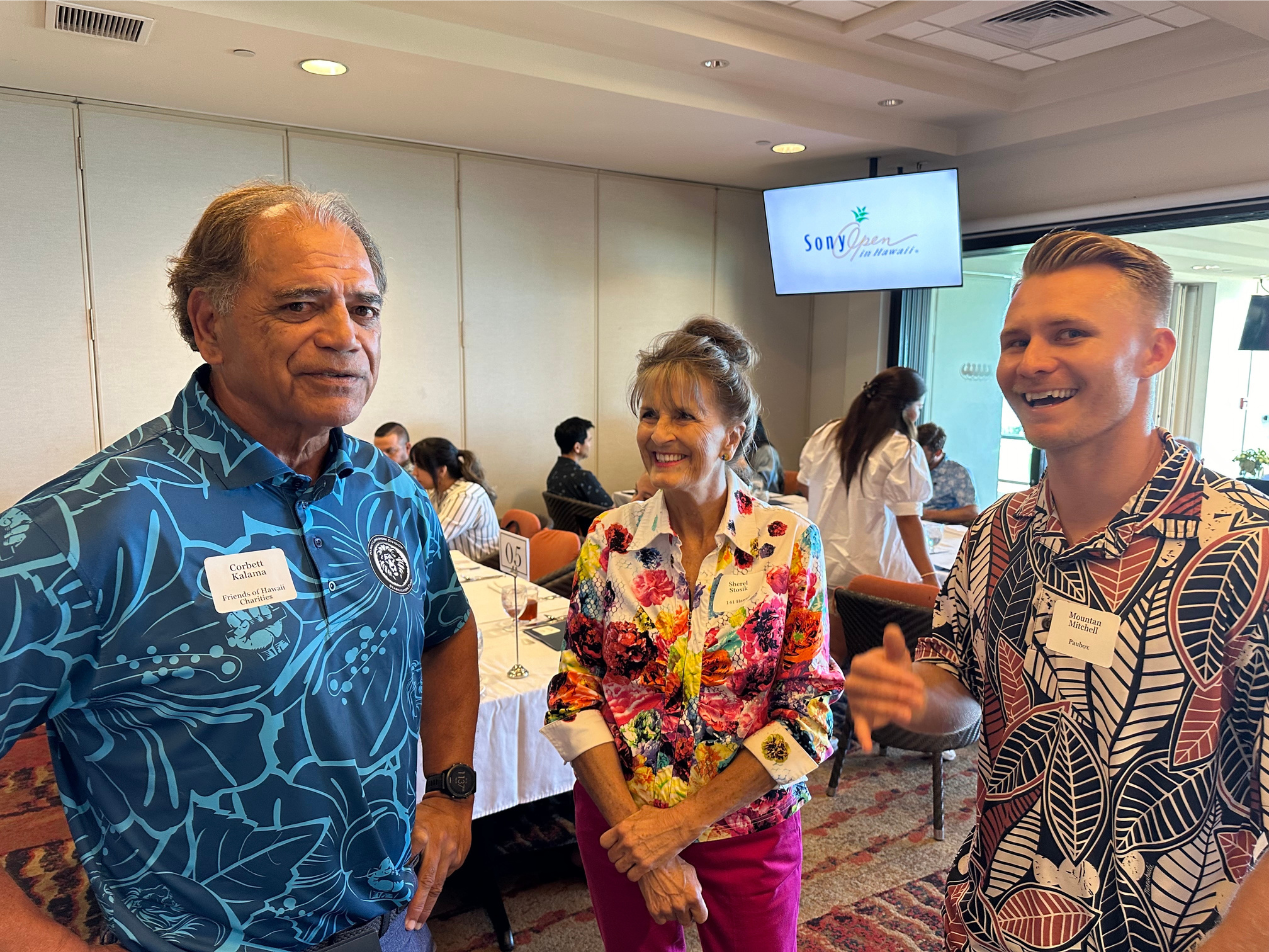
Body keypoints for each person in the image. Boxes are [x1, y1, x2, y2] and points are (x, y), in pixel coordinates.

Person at [0, 182, 480, 952]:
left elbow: (448, 630)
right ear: (208, 324)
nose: (345, 336)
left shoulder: (389, 492)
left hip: (396, 924)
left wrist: (451, 790)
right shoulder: (88, 526)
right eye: (299, 305)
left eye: (364, 308)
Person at [845, 231, 1269, 952]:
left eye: (1069, 334)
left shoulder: (1246, 546)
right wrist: (914, 695)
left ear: (1155, 351)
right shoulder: (999, 531)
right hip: (993, 918)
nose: (1031, 362)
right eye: (1016, 340)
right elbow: (958, 688)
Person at [541, 317, 843, 952]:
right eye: (649, 414)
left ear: (733, 434)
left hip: (748, 828)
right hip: (621, 821)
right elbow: (574, 691)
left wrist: (678, 827)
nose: (659, 434)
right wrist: (642, 837)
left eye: (683, 415)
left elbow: (808, 715)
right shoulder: (611, 539)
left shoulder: (787, 543)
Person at [798, 367, 936, 589]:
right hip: (875, 573)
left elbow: (805, 484)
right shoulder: (901, 449)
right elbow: (908, 519)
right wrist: (929, 576)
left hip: (823, 563)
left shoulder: (827, 433)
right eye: (918, 407)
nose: (917, 415)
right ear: (906, 410)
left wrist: (836, 509)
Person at [410, 438, 500, 562]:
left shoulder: (466, 495)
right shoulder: (435, 491)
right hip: (458, 566)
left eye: (419, 466)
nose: (414, 472)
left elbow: (432, 538)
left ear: (442, 470)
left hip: (483, 567)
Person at [915, 422, 979, 526]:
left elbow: (972, 512)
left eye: (921, 454)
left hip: (941, 528)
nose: (916, 457)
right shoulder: (910, 466)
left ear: (938, 452)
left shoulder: (957, 472)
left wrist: (928, 514)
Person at [548, 416, 613, 507]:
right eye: (589, 440)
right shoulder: (583, 477)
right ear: (577, 447)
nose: (590, 445)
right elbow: (611, 508)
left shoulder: (554, 474)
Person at [746, 416, 785, 494]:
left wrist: (743, 466)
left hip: (767, 498)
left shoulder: (766, 451)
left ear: (753, 432)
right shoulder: (745, 451)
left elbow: (761, 485)